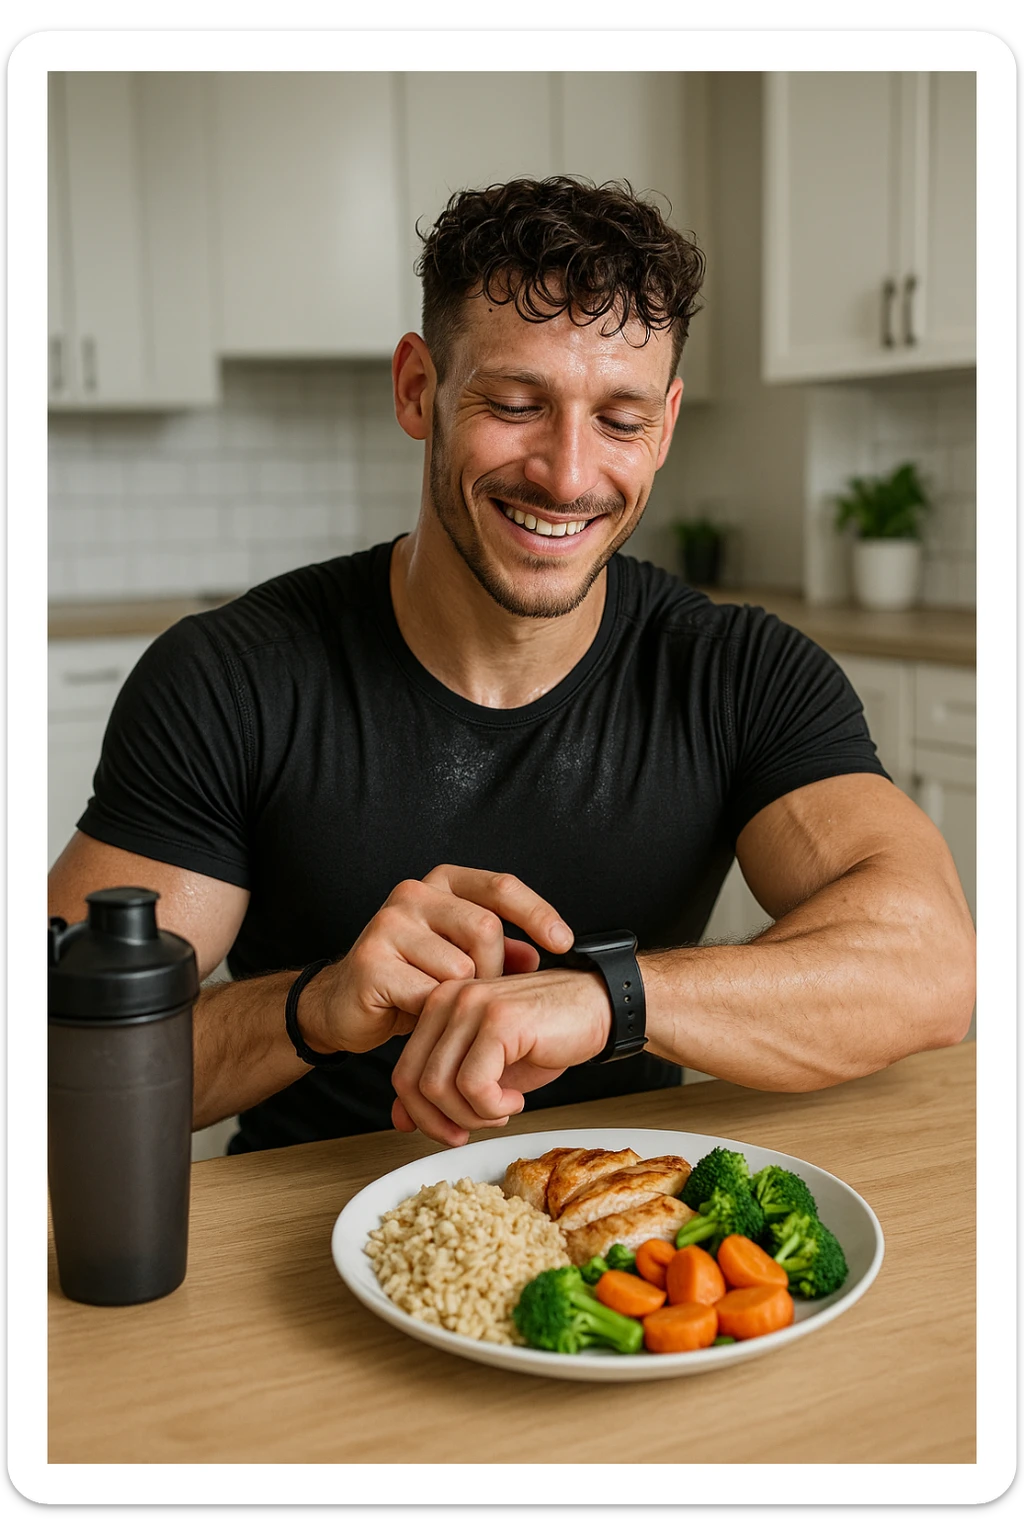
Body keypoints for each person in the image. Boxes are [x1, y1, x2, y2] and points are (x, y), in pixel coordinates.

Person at [47, 176, 976, 1153]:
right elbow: (51, 1055)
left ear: (664, 426)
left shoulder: (740, 674)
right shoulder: (231, 680)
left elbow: (932, 969)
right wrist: (314, 1008)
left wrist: (608, 999)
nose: (567, 475)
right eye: (517, 403)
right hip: (305, 1214)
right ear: (418, 389)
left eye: (620, 420)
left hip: (629, 1221)